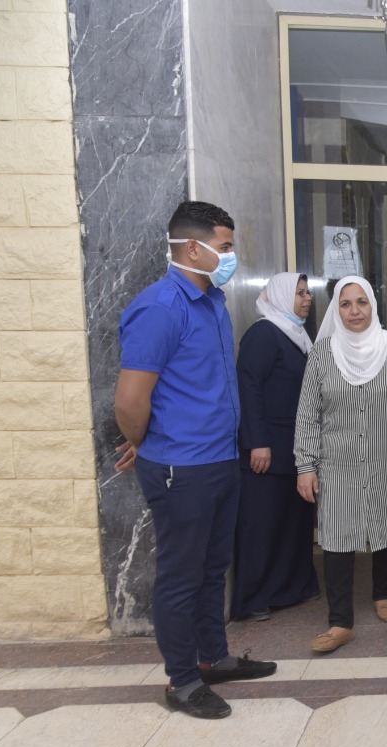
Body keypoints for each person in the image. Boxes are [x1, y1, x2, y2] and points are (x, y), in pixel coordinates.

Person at [114, 200, 277, 720]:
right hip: (180, 468)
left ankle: (214, 658)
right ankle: (182, 680)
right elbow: (130, 399)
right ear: (192, 248)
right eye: (225, 247)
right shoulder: (160, 308)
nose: (231, 256)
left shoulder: (211, 301)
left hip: (219, 459)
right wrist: (144, 441)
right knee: (181, 576)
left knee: (212, 569)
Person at [295, 275, 387, 653]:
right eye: (345, 304)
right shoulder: (322, 354)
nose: (354, 311)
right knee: (336, 535)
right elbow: (308, 415)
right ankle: (340, 621)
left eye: (362, 302)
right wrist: (305, 466)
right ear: (336, 311)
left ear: (373, 305)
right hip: (336, 462)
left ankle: (383, 593)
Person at [231, 272, 320, 621]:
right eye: (299, 293)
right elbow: (248, 388)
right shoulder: (264, 333)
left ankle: (291, 589)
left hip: (293, 450)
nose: (307, 299)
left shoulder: (296, 334)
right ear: (281, 296)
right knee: (263, 525)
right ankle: (255, 598)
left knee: (291, 524)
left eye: (307, 293)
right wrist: (257, 442)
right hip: (267, 451)